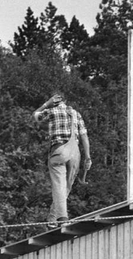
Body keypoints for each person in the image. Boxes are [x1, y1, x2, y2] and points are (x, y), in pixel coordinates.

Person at [33, 92, 92, 226]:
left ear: (55, 101)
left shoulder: (52, 111)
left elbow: (35, 116)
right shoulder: (76, 114)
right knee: (66, 188)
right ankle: (53, 218)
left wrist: (47, 103)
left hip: (59, 150)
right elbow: (84, 136)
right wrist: (87, 157)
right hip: (75, 153)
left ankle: (62, 219)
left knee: (59, 185)